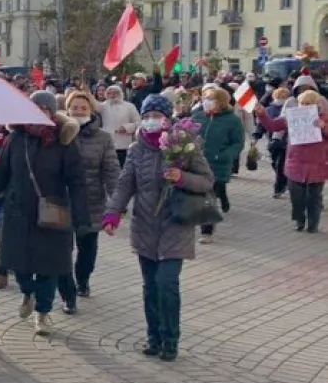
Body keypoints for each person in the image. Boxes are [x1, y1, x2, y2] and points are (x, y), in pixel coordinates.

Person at [102, 95, 214, 362]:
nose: (152, 119)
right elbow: (125, 184)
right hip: (145, 226)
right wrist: (113, 213)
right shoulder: (136, 149)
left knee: (167, 284)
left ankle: (171, 338)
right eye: (148, 114)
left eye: (157, 115)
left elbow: (207, 181)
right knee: (150, 286)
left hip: (175, 224)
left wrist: (182, 177)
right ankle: (154, 338)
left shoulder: (184, 145)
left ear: (167, 118)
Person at [0, 90, 90, 336]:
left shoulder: (63, 141)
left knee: (49, 267)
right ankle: (28, 292)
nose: (37, 114)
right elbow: (0, 174)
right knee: (18, 264)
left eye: (42, 110)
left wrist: (82, 216)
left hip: (52, 215)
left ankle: (43, 314)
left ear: (51, 114)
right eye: (33, 108)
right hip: (18, 213)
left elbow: (77, 181)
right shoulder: (15, 139)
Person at [57, 91, 120, 310]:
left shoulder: (103, 138)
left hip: (91, 200)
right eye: (74, 108)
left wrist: (117, 202)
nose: (78, 111)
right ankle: (68, 294)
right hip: (61, 200)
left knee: (87, 247)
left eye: (83, 108)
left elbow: (111, 171)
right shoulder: (59, 134)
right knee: (61, 250)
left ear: (91, 111)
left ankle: (82, 279)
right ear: (68, 110)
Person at [255, 89, 328, 233]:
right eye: (302, 103)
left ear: (317, 105)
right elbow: (273, 125)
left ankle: (313, 223)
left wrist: (324, 127)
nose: (305, 106)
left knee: (314, 197)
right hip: (295, 162)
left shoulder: (324, 118)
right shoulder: (293, 116)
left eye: (309, 103)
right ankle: (299, 220)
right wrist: (262, 113)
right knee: (296, 196)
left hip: (317, 164)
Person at [191, 86, 245, 244]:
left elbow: (237, 143)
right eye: (205, 98)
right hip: (196, 163)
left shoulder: (232, 120)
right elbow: (186, 133)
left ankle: (207, 231)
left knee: (209, 197)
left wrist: (225, 155)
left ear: (221, 102)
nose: (206, 102)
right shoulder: (197, 116)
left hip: (217, 164)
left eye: (210, 99)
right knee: (199, 197)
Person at [97, 85, 139, 166]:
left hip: (125, 146)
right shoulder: (102, 106)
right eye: (109, 93)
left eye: (115, 93)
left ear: (120, 93)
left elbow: (138, 122)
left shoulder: (129, 106)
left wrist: (127, 128)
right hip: (107, 146)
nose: (112, 95)